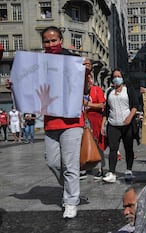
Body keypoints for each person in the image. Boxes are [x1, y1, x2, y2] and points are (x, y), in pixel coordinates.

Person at [6, 26, 86, 218]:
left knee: (70, 165)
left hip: (72, 122)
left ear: (61, 40)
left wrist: (87, 72)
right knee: (52, 162)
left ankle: (70, 201)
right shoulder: (38, 64)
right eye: (47, 41)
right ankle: (69, 186)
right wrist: (14, 84)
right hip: (51, 123)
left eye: (54, 40)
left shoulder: (74, 61)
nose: (50, 45)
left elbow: (84, 89)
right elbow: (29, 85)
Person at [101, 69, 140, 183]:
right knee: (113, 149)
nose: (116, 78)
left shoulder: (128, 90)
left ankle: (128, 170)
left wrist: (130, 117)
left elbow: (135, 105)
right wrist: (103, 124)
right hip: (113, 124)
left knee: (128, 148)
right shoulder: (109, 92)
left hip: (126, 125)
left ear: (123, 77)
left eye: (119, 76)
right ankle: (112, 172)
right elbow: (106, 110)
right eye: (114, 76)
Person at [83, 58, 106, 179]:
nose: (88, 80)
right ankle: (84, 166)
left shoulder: (97, 90)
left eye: (89, 78)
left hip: (96, 121)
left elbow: (102, 105)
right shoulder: (80, 90)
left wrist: (88, 104)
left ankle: (101, 167)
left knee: (98, 145)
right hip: (83, 121)